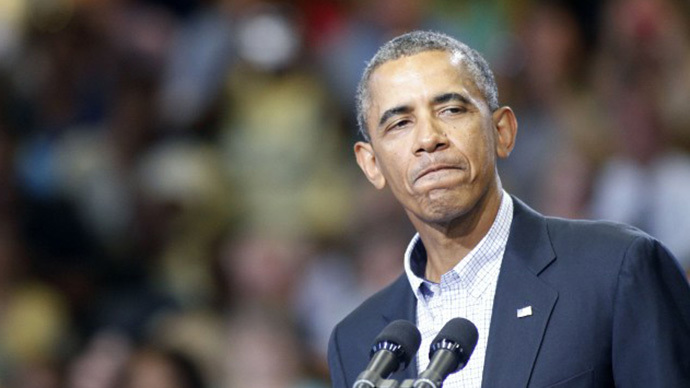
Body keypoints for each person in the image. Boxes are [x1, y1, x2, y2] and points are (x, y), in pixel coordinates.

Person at [327, 30, 690, 388]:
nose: (428, 139)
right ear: (371, 164)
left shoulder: (614, 270)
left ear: (503, 132)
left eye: (451, 109)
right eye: (400, 123)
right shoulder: (358, 341)